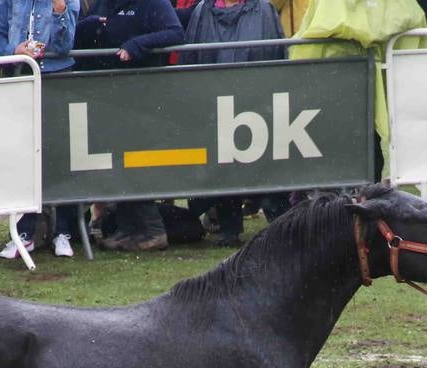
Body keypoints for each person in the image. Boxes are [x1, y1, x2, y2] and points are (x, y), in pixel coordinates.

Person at [74, 0, 184, 251]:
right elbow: (82, 38)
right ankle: (127, 228)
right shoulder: (104, 3)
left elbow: (176, 32)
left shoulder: (153, 3)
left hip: (143, 95)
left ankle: (153, 230)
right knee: (115, 160)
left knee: (133, 161)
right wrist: (87, 27)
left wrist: (138, 44)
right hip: (107, 95)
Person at [180, 0, 286, 247]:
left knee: (270, 166)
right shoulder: (202, 11)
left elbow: (277, 58)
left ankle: (281, 225)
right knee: (223, 164)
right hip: (214, 107)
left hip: (258, 105)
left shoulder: (263, 10)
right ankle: (228, 227)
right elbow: (190, 60)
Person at [0, 0, 81, 259]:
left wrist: (59, 11)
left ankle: (62, 232)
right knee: (22, 155)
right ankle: (23, 232)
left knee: (60, 156)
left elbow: (65, 45)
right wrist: (13, 50)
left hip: (57, 79)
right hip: (20, 77)